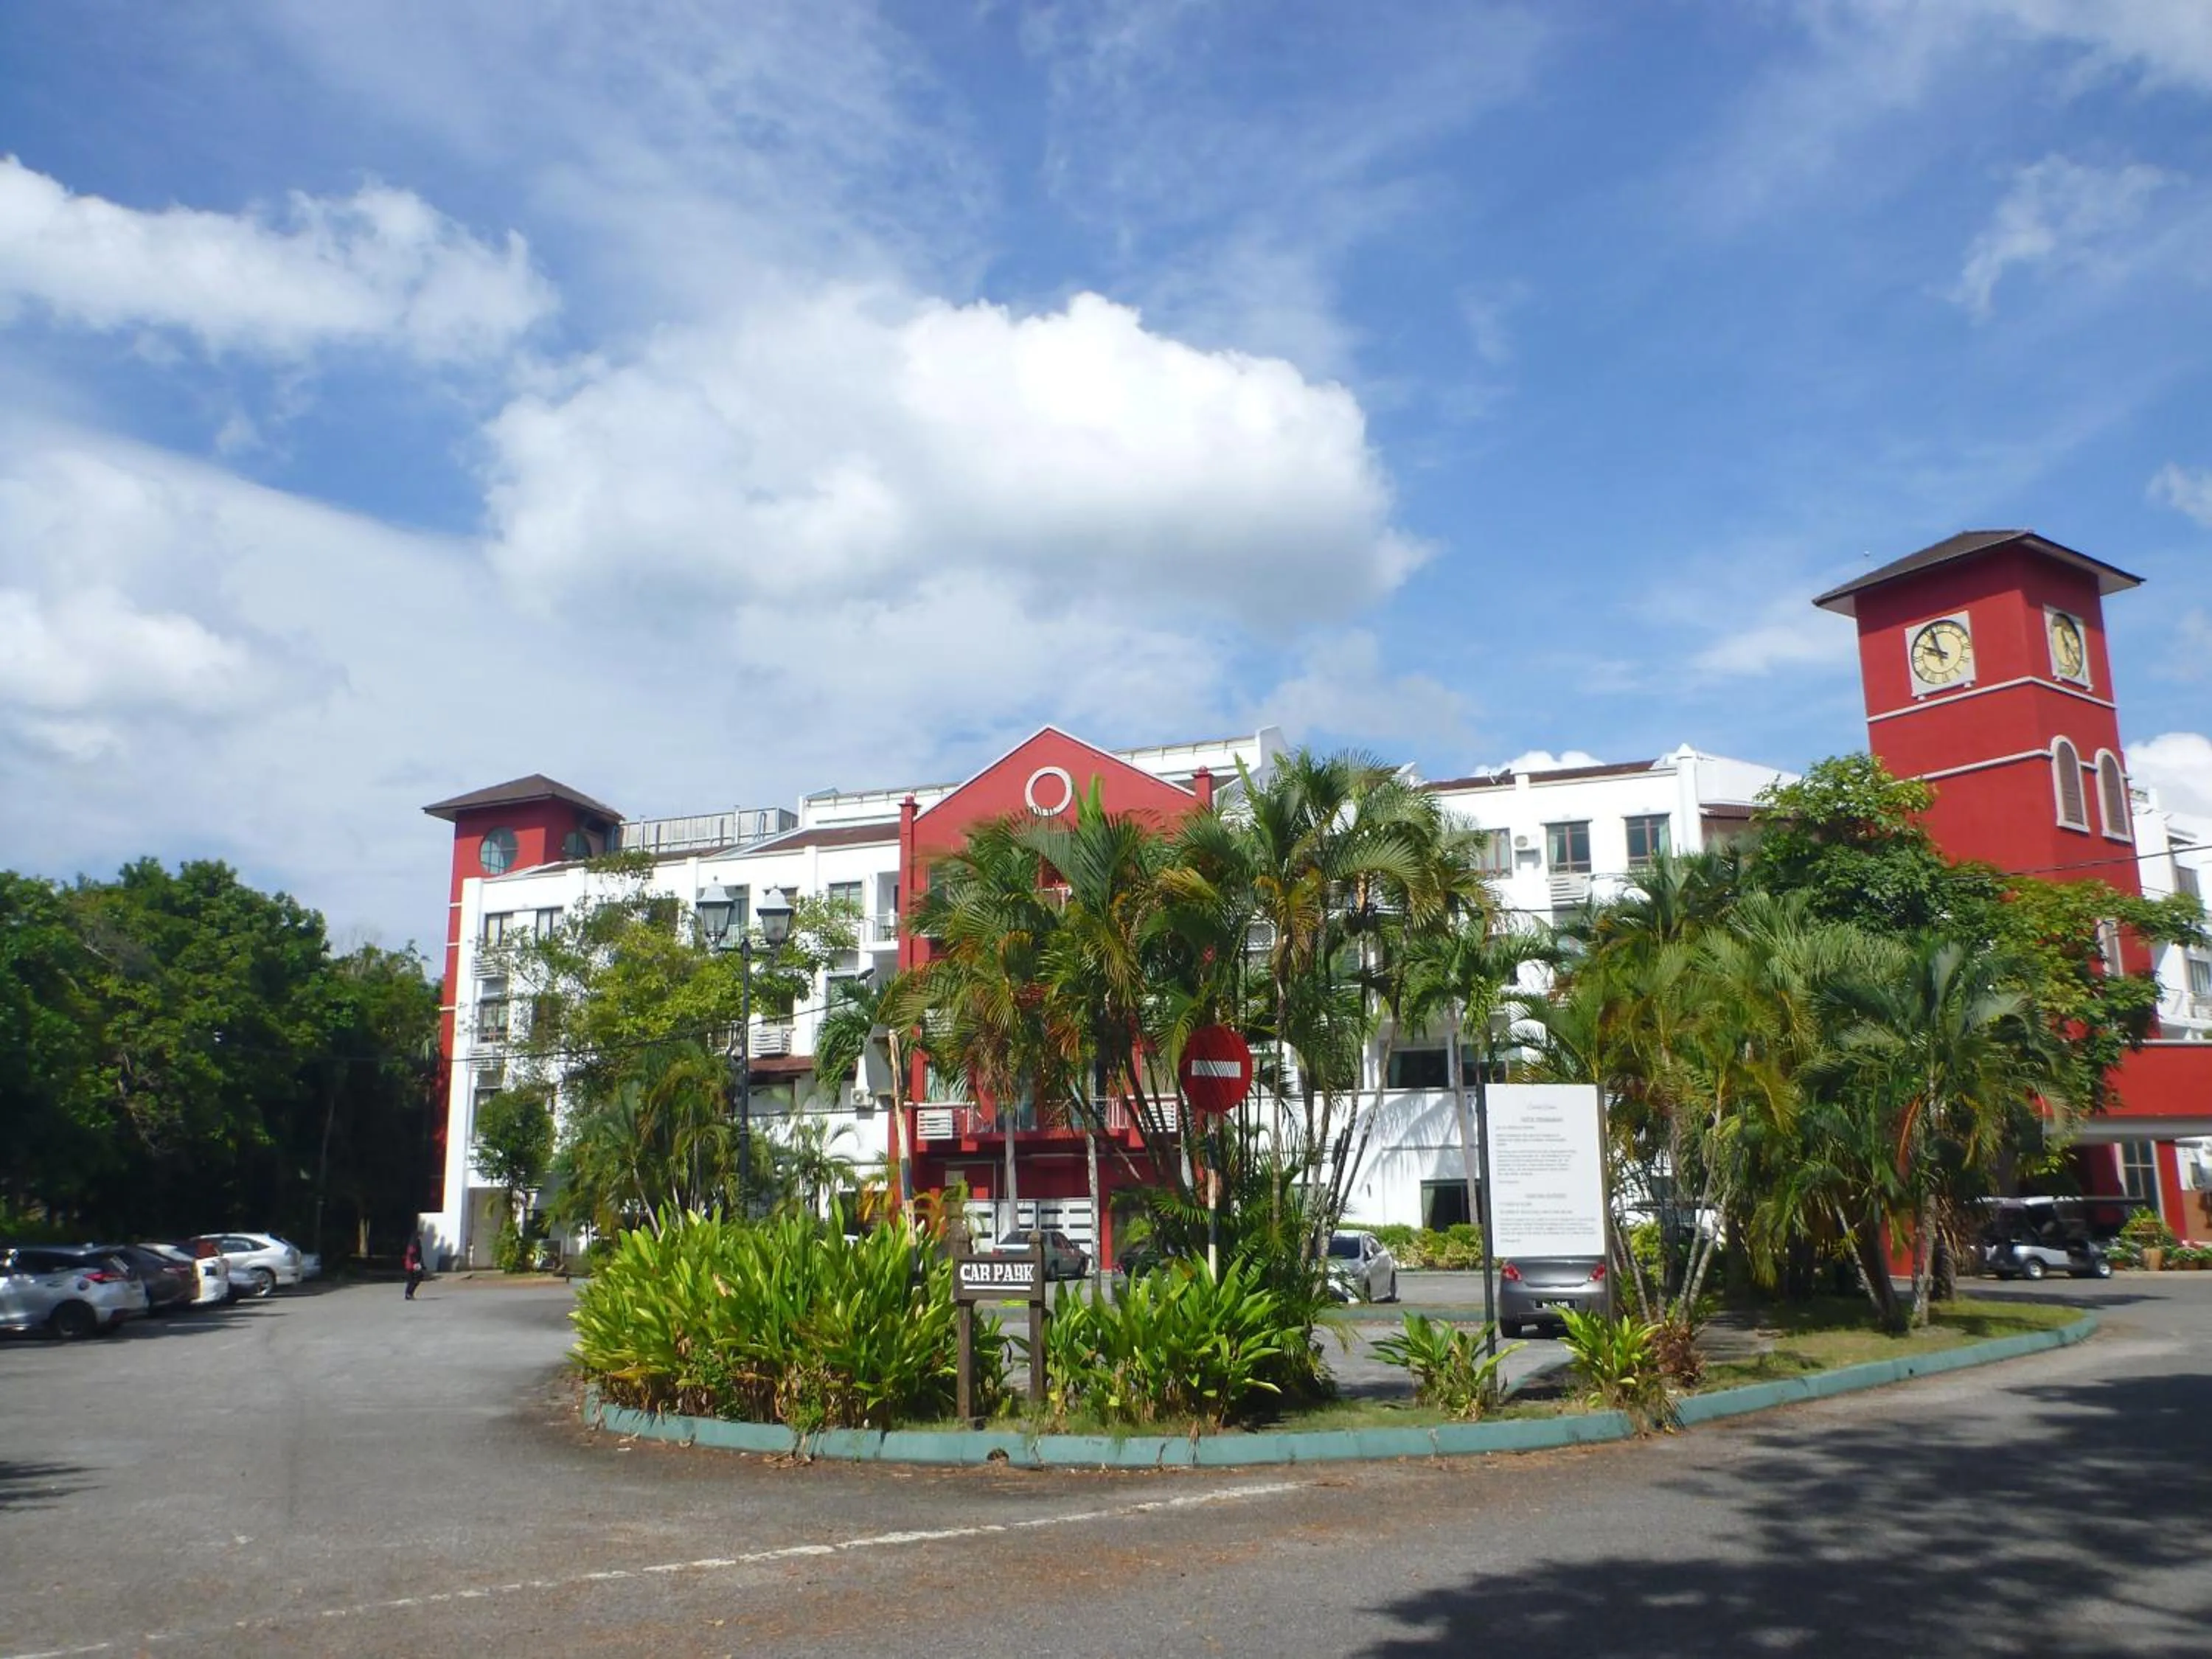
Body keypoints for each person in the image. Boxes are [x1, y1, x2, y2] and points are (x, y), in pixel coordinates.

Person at [403, 1236, 425, 1301]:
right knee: (416, 1278)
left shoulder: (416, 1242)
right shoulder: (414, 1243)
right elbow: (412, 1254)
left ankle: (409, 1294)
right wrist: (416, 1263)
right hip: (412, 1264)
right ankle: (409, 1293)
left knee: (414, 1279)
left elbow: (419, 1255)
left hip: (413, 1263)